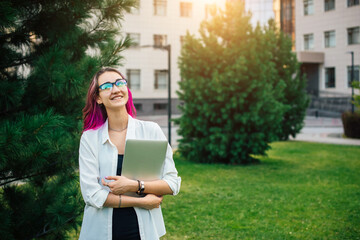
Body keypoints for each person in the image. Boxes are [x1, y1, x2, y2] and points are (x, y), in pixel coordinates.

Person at [78, 67, 181, 240]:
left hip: (143, 230)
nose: (116, 89)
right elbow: (92, 195)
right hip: (100, 231)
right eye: (107, 86)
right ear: (98, 98)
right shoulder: (90, 138)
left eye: (120, 83)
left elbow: (172, 184)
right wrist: (141, 201)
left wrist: (134, 186)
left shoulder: (151, 131)